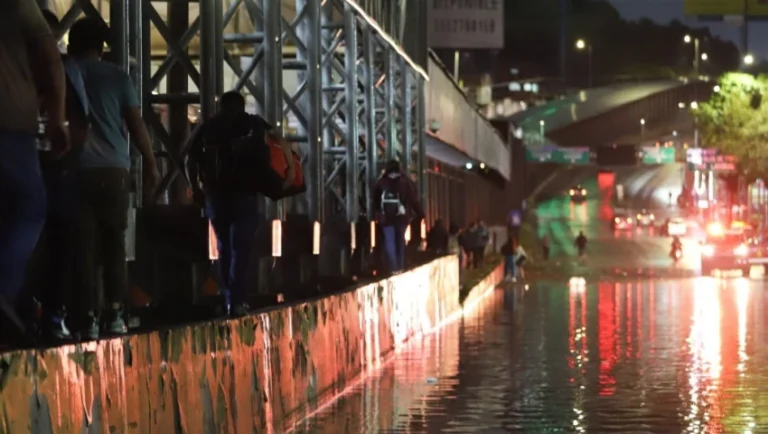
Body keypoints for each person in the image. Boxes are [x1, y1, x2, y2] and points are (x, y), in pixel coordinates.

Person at [67, 17, 160, 339]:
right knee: (114, 247)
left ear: (71, 45)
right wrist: (150, 163)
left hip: (76, 171)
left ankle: (87, 318)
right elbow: (136, 124)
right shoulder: (118, 76)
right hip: (114, 172)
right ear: (101, 46)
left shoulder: (67, 73)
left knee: (84, 249)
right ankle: (116, 314)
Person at [187, 91, 295, 317]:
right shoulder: (252, 123)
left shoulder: (209, 126)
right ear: (242, 106)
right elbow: (280, 141)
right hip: (245, 195)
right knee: (241, 250)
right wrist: (290, 171)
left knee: (224, 248)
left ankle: (228, 299)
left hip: (216, 196)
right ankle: (236, 301)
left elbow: (191, 158)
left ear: (221, 106)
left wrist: (195, 187)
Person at [0, 0, 69, 346]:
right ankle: (4, 294)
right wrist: (57, 117)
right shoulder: (19, 5)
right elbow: (50, 58)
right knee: (28, 206)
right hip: (9, 124)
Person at [373, 159, 424, 273]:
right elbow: (413, 199)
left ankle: (393, 267)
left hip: (385, 218)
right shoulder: (405, 181)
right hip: (401, 217)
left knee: (389, 241)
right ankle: (400, 266)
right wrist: (420, 213)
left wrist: (377, 214)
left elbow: (375, 200)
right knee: (400, 240)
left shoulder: (381, 182)